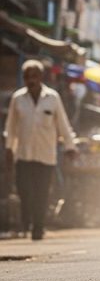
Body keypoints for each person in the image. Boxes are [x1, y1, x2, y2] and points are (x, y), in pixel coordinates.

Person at [3, 60, 76, 241]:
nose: (31, 80)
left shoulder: (53, 98)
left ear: (41, 77)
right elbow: (11, 127)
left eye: (34, 76)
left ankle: (38, 227)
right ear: (24, 78)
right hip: (23, 155)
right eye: (27, 77)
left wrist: (70, 146)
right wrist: (9, 149)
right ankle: (25, 222)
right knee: (24, 191)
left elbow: (63, 124)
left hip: (46, 156)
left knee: (42, 193)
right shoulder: (18, 99)